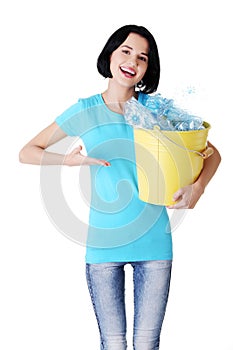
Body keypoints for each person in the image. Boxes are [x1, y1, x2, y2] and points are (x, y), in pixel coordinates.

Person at [19, 24, 221, 350]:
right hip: (103, 247)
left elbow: (212, 153)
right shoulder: (85, 111)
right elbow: (27, 152)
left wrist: (197, 189)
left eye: (142, 57)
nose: (133, 61)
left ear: (146, 69)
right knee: (112, 344)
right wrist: (67, 161)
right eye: (126, 51)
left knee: (146, 344)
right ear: (111, 55)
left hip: (155, 243)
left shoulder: (155, 111)